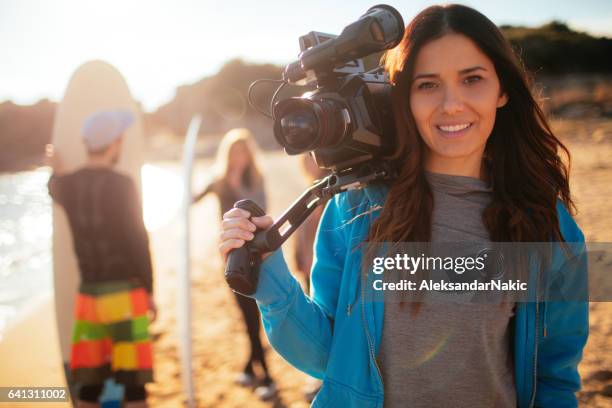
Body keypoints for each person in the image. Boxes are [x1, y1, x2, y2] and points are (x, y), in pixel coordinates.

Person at [219, 4, 588, 408]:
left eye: (472, 79)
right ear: (405, 97)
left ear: (502, 90)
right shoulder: (356, 209)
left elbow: (554, 378)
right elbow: (326, 358)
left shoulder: (547, 222)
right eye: (427, 84)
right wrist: (270, 276)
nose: (451, 104)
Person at [46, 110, 156, 408]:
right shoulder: (123, 184)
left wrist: (55, 168)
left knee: (90, 387)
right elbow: (138, 240)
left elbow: (53, 185)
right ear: (115, 142)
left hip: (90, 297)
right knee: (134, 387)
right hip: (126, 294)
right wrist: (149, 290)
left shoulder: (66, 186)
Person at [192, 128, 276, 401]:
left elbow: (260, 209)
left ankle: (265, 375)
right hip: (229, 258)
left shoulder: (255, 178)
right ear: (227, 154)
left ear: (249, 154)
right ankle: (252, 369)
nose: (239, 156)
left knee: (254, 314)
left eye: (243, 151)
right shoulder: (218, 181)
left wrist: (239, 181)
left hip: (254, 256)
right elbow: (193, 198)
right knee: (245, 314)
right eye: (234, 151)